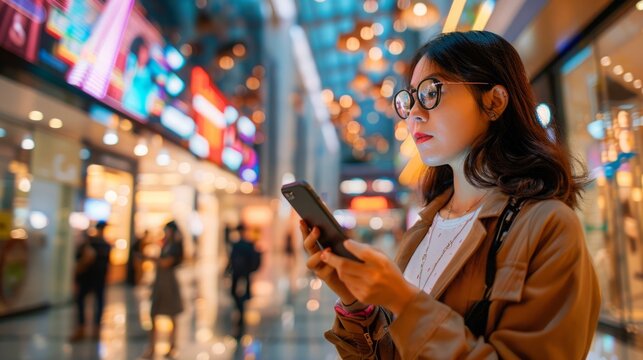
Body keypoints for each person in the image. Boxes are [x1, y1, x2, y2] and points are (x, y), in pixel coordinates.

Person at [301, 31, 600, 359]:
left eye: (431, 92)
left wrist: (404, 301)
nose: (414, 113)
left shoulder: (547, 226)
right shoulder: (426, 226)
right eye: (410, 98)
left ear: (494, 102)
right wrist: (355, 303)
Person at [141, 221, 184, 359]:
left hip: (168, 283)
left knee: (171, 315)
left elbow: (168, 263)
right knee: (154, 314)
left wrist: (153, 259)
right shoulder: (166, 244)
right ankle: (152, 346)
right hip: (160, 282)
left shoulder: (175, 246)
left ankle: (172, 346)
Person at [70, 220, 112, 341]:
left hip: (90, 277)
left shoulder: (93, 243)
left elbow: (88, 258)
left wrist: (78, 270)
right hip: (95, 277)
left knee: (85, 301)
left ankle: (85, 328)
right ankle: (92, 329)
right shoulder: (104, 244)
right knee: (96, 302)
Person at [226, 223, 261, 337]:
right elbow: (232, 259)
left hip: (240, 272)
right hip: (241, 272)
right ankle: (240, 309)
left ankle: (240, 311)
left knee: (239, 293)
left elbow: (232, 259)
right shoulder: (244, 244)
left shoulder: (241, 244)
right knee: (240, 293)